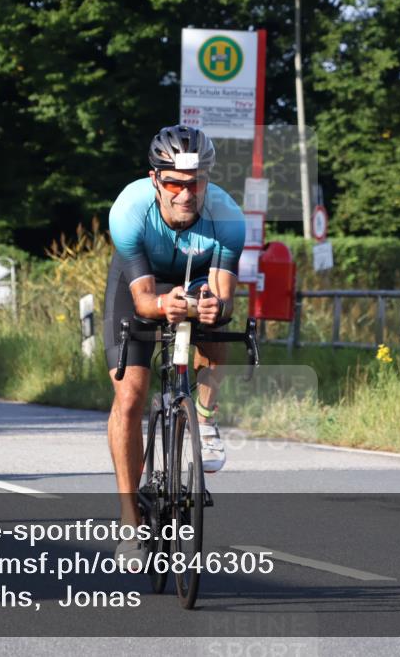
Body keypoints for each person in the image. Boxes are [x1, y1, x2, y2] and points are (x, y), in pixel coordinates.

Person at [104, 125, 244, 564]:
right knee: (129, 397)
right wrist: (165, 303)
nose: (186, 193)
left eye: (197, 182)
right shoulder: (128, 211)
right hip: (141, 283)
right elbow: (145, 301)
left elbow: (225, 297)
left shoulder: (228, 217)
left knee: (216, 324)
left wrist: (212, 308)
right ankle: (130, 520)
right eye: (175, 183)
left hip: (196, 277)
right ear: (155, 180)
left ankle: (203, 416)